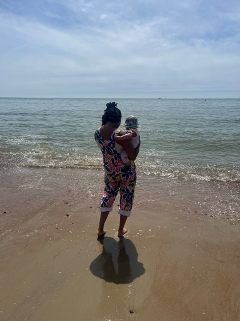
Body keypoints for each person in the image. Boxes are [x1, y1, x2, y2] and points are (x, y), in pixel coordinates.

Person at [95, 102, 140, 237]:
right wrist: (139, 144)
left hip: (110, 172)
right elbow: (132, 156)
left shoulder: (97, 133)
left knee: (108, 196)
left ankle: (100, 229)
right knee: (126, 199)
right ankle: (120, 230)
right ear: (118, 120)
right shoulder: (120, 134)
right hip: (127, 173)